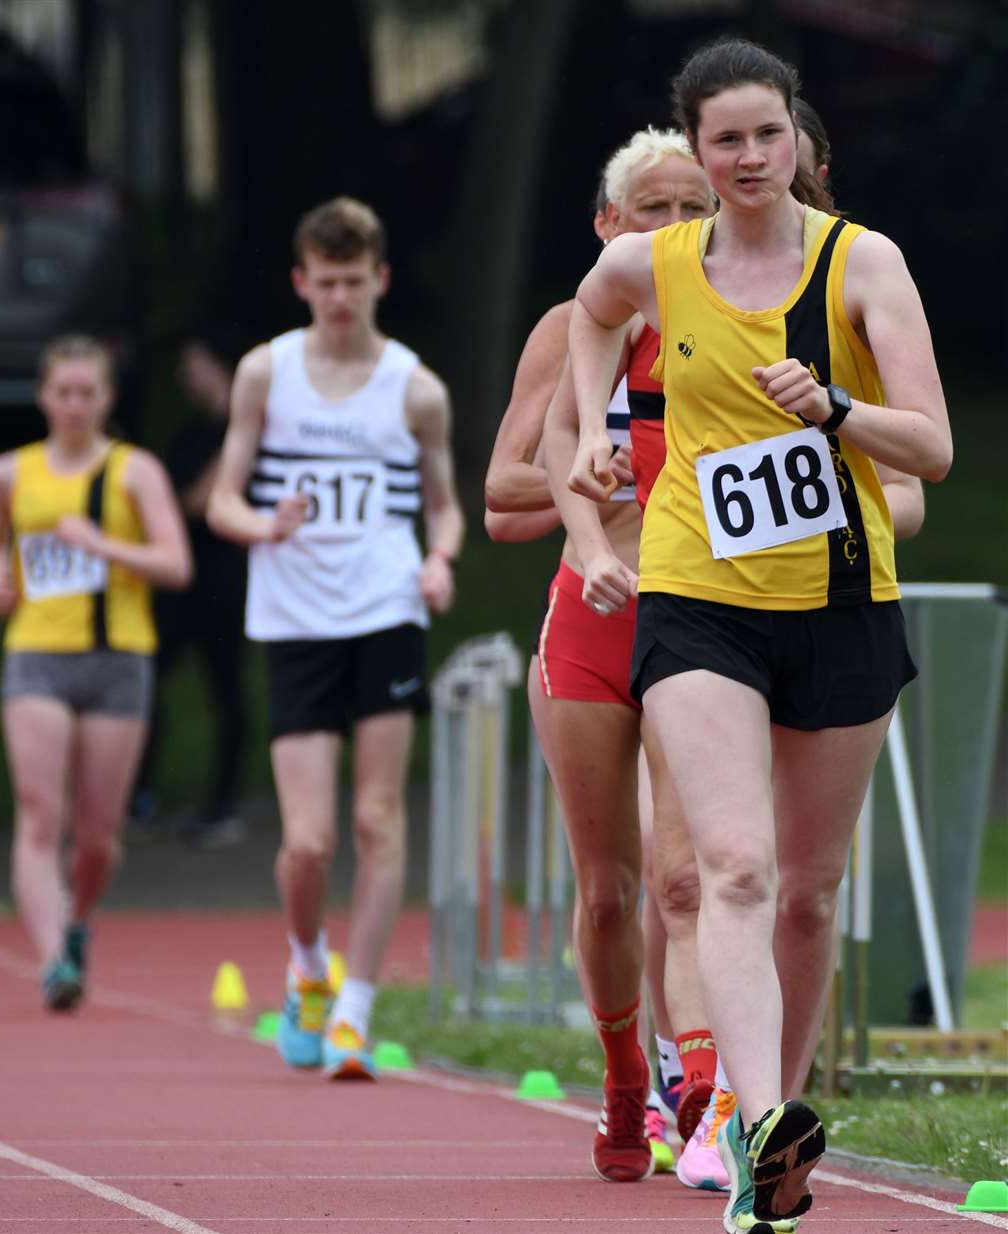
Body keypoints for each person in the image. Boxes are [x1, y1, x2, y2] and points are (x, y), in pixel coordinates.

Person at [566, 36, 950, 1231]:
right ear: (696, 149)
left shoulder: (860, 264)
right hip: (698, 595)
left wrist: (835, 408)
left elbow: (932, 448)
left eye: (764, 135)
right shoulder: (658, 260)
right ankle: (758, 1124)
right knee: (730, 864)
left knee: (808, 893)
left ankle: (770, 1112)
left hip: (839, 599)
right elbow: (589, 314)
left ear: (799, 142)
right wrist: (592, 430)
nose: (745, 156)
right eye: (722, 138)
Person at [486, 127, 717, 1182]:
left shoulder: (743, 321)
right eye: (654, 210)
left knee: (685, 874)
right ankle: (628, 1071)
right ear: (609, 227)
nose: (675, 228)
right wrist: (595, 478)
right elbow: (504, 494)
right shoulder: (569, 330)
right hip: (589, 612)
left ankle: (699, 1080)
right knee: (609, 887)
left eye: (692, 208)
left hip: (701, 618)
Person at [207, 196, 464, 1080]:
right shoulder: (264, 375)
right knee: (308, 842)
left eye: (356, 282)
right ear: (301, 283)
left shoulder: (416, 388)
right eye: (327, 283)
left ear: (380, 278)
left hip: (387, 610)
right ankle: (308, 967)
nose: (342, 298)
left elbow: (445, 507)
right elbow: (221, 498)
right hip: (295, 620)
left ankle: (356, 1008)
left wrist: (439, 560)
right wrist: (258, 525)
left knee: (376, 818)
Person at [0, 335, 192, 1011]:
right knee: (40, 813)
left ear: (106, 399)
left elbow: (176, 565)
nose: (73, 405)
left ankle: (76, 922)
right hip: (36, 655)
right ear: (44, 397)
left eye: (86, 393)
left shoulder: (135, 472)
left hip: (117, 658)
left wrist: (101, 545)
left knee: (97, 834)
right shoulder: (8, 473)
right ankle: (50, 964)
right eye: (62, 392)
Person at [130, 330, 250, 849]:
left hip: (225, 581)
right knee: (147, 680)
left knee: (227, 689)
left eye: (193, 363)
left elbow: (202, 502)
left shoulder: (251, 432)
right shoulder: (191, 433)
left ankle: (223, 805)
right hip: (179, 582)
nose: (184, 376)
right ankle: (140, 797)